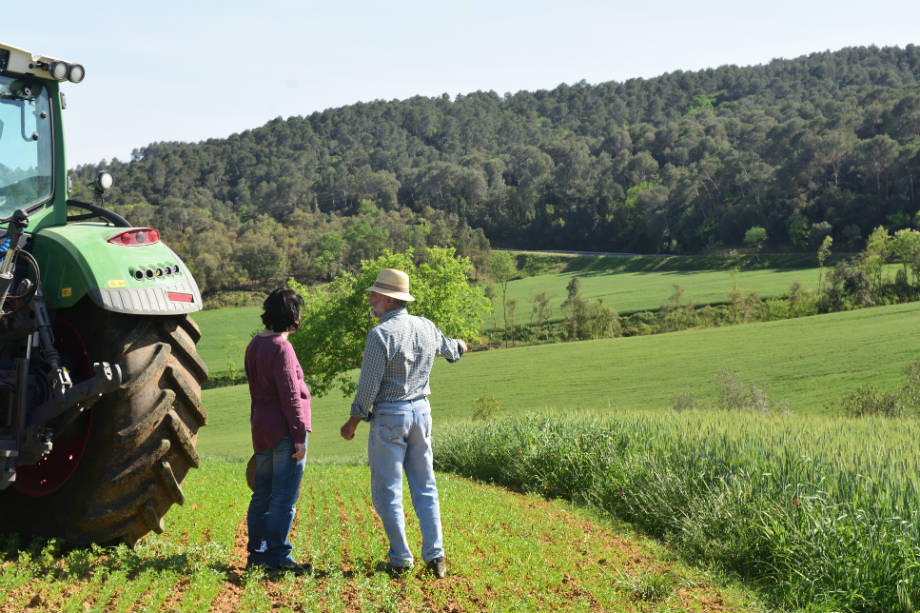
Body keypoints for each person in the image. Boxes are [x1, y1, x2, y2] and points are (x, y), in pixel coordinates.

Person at [340, 268, 467, 579]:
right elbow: (450, 349)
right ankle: (435, 556)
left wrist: (353, 421)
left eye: (374, 294)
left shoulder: (380, 335)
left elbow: (368, 387)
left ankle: (400, 557)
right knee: (425, 486)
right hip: (422, 414)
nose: (370, 299)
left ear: (388, 299)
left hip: (390, 417)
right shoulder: (425, 326)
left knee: (387, 490)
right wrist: (461, 346)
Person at [245, 287, 312, 573]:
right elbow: (290, 395)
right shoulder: (281, 347)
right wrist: (299, 435)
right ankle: (276, 555)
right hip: (284, 431)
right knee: (284, 496)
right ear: (293, 316)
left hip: (261, 429)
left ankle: (257, 553)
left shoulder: (255, 345)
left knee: (261, 494)